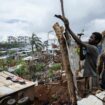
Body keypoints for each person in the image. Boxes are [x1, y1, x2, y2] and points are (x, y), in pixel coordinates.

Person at [55, 15, 102, 92]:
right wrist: (80, 46)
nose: (89, 38)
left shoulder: (93, 48)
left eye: (91, 38)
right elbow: (82, 58)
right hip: (88, 76)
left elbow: (79, 42)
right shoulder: (90, 49)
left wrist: (68, 28)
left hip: (92, 77)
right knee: (89, 97)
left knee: (92, 97)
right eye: (90, 37)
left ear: (96, 41)